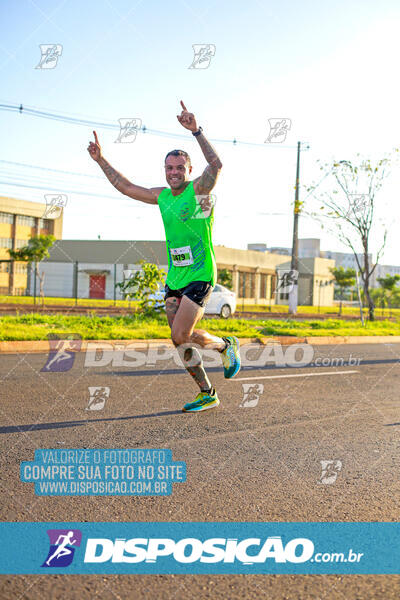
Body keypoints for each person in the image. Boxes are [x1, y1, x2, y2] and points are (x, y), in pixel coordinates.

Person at [87, 100, 241, 412]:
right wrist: (101, 160)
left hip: (200, 274)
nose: (173, 173)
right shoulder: (161, 197)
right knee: (178, 339)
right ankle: (207, 391)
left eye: (178, 168)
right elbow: (127, 187)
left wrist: (196, 131)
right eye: (168, 168)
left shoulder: (199, 193)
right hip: (175, 277)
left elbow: (217, 167)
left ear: (189, 170)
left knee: (180, 332)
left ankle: (226, 346)